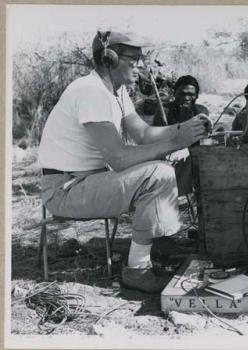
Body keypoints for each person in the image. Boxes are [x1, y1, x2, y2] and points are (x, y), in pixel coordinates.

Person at [38, 31, 210, 293]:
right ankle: (137, 269)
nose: (140, 65)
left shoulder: (116, 92)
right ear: (110, 58)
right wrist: (174, 143)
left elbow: (143, 134)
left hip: (87, 181)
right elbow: (118, 158)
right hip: (65, 189)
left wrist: (184, 130)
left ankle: (158, 240)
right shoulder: (90, 91)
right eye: (134, 58)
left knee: (170, 165)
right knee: (158, 173)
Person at [151, 75, 210, 196]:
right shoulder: (164, 111)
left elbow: (204, 136)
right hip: (171, 155)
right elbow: (157, 138)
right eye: (182, 94)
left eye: (191, 94)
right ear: (175, 93)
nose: (186, 98)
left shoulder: (201, 111)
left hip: (196, 155)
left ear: (197, 95)